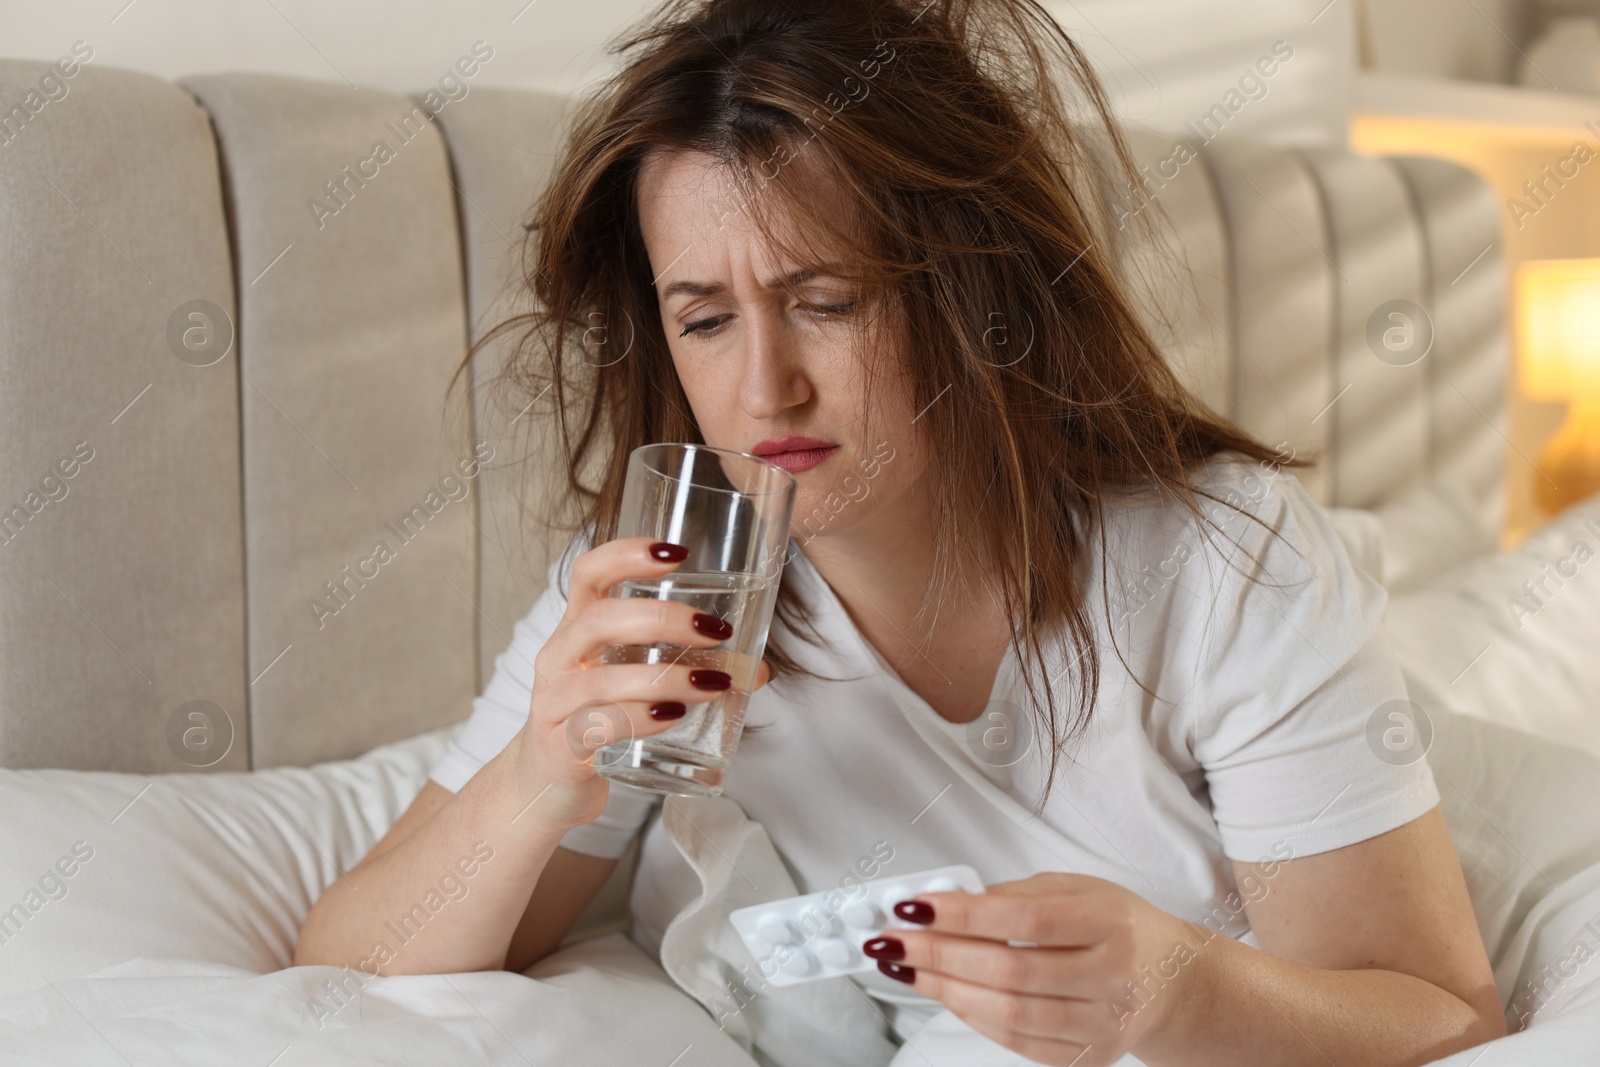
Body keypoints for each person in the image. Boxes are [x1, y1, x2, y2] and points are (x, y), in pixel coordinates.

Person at [295, 1, 1507, 1062]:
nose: (766, 389)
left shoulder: (1221, 562)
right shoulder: (670, 595)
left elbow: (1441, 1018)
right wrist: (535, 776)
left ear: (971, 291)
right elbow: (349, 960)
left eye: (825, 301)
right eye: (705, 318)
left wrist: (1176, 987)